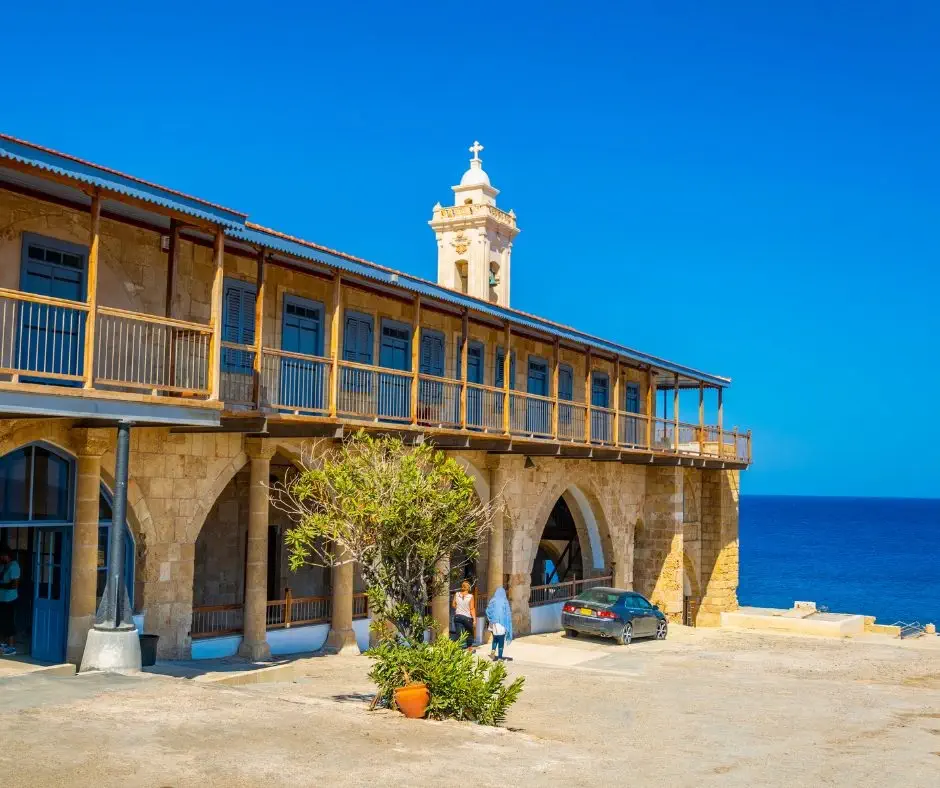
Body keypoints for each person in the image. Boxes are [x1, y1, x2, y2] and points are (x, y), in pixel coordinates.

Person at [0, 546, 20, 657]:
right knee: (2, 621)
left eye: (1, 556)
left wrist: (2, 585)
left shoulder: (14, 566)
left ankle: (11, 647)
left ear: (6, 555)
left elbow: (14, 584)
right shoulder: (4, 566)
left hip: (10, 599)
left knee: (9, 622)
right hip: (2, 598)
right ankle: (3, 644)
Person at [485, 586, 513, 661]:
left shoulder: (493, 600)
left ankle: (493, 652)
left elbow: (488, 610)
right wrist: (509, 623)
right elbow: (507, 614)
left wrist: (491, 618)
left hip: (494, 624)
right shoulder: (505, 601)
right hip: (502, 624)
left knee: (495, 639)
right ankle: (500, 657)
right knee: (501, 640)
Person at [451, 580, 476, 649]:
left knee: (459, 633)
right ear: (468, 588)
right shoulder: (470, 596)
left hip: (457, 617)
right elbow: (472, 608)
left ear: (462, 587)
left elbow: (453, 605)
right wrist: (474, 619)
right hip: (467, 617)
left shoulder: (457, 594)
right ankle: (469, 648)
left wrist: (459, 608)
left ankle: (456, 648)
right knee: (469, 632)